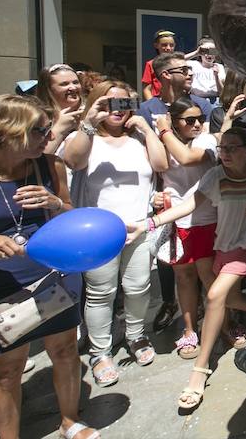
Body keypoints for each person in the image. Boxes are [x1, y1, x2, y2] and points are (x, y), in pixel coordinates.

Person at [0, 95, 98, 439]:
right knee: (7, 373)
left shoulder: (50, 165)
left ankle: (69, 421)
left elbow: (71, 217)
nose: (49, 135)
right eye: (39, 130)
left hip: (53, 275)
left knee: (64, 351)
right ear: (7, 133)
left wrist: (56, 202)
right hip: (1, 285)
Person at [128, 127, 246, 409]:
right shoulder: (215, 176)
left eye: (233, 148)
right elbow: (187, 205)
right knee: (232, 299)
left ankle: (199, 372)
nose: (225, 154)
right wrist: (149, 224)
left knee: (214, 296)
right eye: (222, 148)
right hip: (223, 248)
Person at [62, 81, 168, 386]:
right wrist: (88, 123)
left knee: (138, 288)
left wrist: (148, 130)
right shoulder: (84, 138)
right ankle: (100, 352)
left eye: (123, 103)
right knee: (100, 294)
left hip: (138, 226)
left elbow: (161, 164)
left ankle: (136, 335)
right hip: (98, 231)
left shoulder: (138, 139)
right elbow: (73, 161)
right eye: (107, 104)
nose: (116, 111)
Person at [154, 97, 219, 359]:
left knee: (209, 278)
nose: (197, 124)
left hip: (205, 218)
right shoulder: (162, 143)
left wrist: (163, 129)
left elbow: (188, 158)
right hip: (174, 220)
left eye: (200, 119)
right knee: (184, 278)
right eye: (189, 120)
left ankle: (222, 326)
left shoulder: (206, 140)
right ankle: (189, 329)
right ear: (176, 122)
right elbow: (154, 172)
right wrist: (155, 198)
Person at [137, 52, 213, 128]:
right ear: (166, 75)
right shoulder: (145, 109)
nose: (191, 73)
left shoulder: (202, 105)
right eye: (184, 70)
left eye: (190, 69)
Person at [35, 63, 84, 155]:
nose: (73, 87)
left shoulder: (91, 113)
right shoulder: (37, 117)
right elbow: (39, 157)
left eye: (75, 82)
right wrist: (60, 128)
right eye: (64, 84)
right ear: (48, 89)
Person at [187, 37, 225, 104]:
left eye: (212, 51)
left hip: (215, 101)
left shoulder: (219, 67)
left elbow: (222, 92)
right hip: (196, 100)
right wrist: (196, 53)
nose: (209, 54)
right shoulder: (193, 64)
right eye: (205, 51)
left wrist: (216, 76)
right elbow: (174, 62)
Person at [142, 30, 176, 100]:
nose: (168, 48)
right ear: (156, 45)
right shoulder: (151, 64)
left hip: (176, 101)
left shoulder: (178, 63)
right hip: (158, 100)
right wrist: (152, 105)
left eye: (171, 45)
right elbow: (147, 89)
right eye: (164, 45)